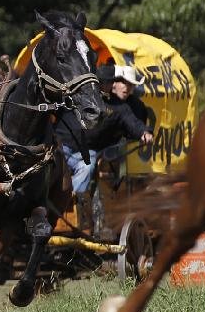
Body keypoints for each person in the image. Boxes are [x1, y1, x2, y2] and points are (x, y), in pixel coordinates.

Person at [56, 63, 154, 231]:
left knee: (88, 166)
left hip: (87, 152)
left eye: (130, 85)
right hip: (63, 144)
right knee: (49, 165)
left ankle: (72, 205)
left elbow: (133, 123)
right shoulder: (81, 95)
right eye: (123, 83)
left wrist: (144, 133)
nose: (127, 88)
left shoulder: (121, 107)